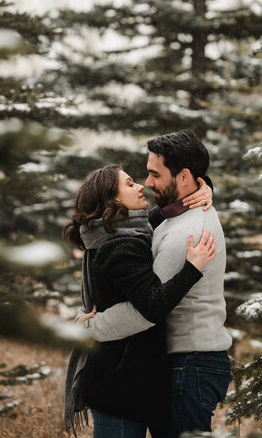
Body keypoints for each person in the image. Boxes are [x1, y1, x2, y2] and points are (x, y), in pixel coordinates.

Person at [82, 130, 232, 437]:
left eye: (154, 174)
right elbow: (161, 214)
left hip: (192, 363)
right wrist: (205, 186)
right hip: (185, 363)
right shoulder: (166, 220)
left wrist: (91, 327)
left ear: (184, 176)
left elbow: (148, 309)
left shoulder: (184, 233)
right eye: (137, 179)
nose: (146, 183)